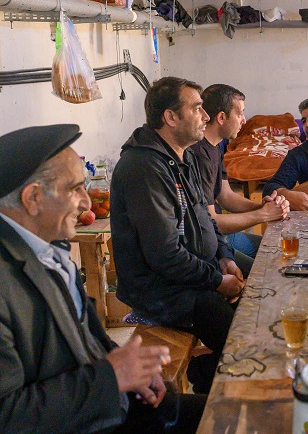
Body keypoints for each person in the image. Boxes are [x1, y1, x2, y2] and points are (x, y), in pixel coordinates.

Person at [0, 124, 205, 433]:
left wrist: (126, 366)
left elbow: (81, 336)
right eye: (75, 189)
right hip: (84, 420)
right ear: (32, 198)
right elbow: (8, 416)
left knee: (235, 413)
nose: (86, 203)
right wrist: (112, 376)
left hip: (106, 405)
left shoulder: (48, 248)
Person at [110, 77, 245, 394]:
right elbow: (164, 255)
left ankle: (210, 375)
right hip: (162, 290)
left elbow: (208, 220)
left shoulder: (185, 157)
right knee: (244, 348)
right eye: (197, 108)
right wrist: (216, 280)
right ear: (170, 117)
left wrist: (224, 258)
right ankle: (202, 379)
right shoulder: (143, 167)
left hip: (193, 278)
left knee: (254, 313)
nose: (206, 116)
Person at [191, 84, 289, 274]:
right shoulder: (198, 154)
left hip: (225, 235)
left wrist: (262, 206)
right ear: (221, 117)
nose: (244, 121)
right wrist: (263, 215)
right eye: (240, 114)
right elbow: (212, 221)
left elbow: (226, 195)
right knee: (265, 274)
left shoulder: (216, 147)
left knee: (282, 250)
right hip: (212, 240)